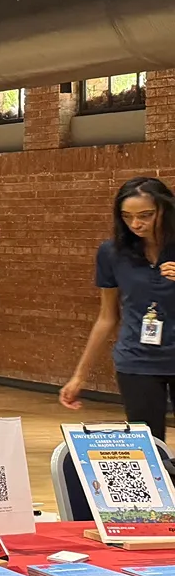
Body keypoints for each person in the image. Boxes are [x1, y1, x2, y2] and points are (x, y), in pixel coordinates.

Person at [61, 176, 175, 437]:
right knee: (149, 445)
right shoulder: (112, 252)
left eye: (146, 215)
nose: (136, 224)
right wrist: (79, 376)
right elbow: (107, 317)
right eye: (127, 216)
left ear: (165, 210)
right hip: (137, 361)